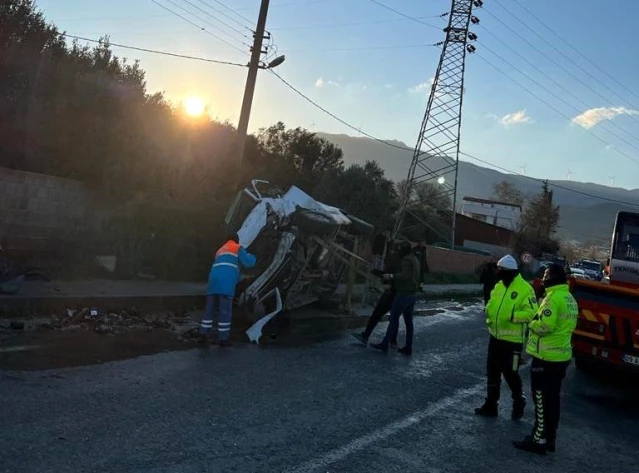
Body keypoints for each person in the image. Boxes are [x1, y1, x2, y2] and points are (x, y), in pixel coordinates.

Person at [513, 264, 578, 455]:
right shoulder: (569, 298)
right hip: (561, 357)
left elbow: (545, 326)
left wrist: (532, 322)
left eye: (545, 275)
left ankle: (538, 440)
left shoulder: (552, 298)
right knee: (553, 399)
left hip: (546, 358)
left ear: (553, 278)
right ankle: (550, 438)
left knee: (540, 399)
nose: (543, 279)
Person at [475, 255, 538, 420]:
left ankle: (519, 400)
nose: (497, 272)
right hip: (495, 337)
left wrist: (512, 315)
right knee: (492, 372)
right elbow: (491, 303)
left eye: (500, 270)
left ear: (509, 272)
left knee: (511, 373)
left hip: (513, 342)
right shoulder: (499, 286)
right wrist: (488, 311)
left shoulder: (525, 289)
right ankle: (491, 405)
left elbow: (532, 313)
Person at [198, 233, 256, 347]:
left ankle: (203, 335)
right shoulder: (237, 248)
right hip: (225, 285)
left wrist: (241, 277)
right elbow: (249, 262)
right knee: (225, 312)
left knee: (209, 311)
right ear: (237, 240)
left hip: (213, 283)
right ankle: (223, 339)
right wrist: (254, 256)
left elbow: (228, 267)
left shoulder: (220, 250)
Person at [371, 241, 421, 356]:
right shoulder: (414, 259)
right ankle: (408, 347)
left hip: (403, 294)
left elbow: (405, 275)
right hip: (412, 294)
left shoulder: (406, 260)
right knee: (409, 323)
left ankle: (384, 344)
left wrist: (391, 276)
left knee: (393, 320)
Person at [351, 247, 399, 347]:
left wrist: (386, 280)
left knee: (377, 314)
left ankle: (366, 336)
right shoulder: (404, 262)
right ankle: (392, 341)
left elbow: (389, 274)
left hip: (391, 292)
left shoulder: (395, 261)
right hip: (397, 293)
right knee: (394, 317)